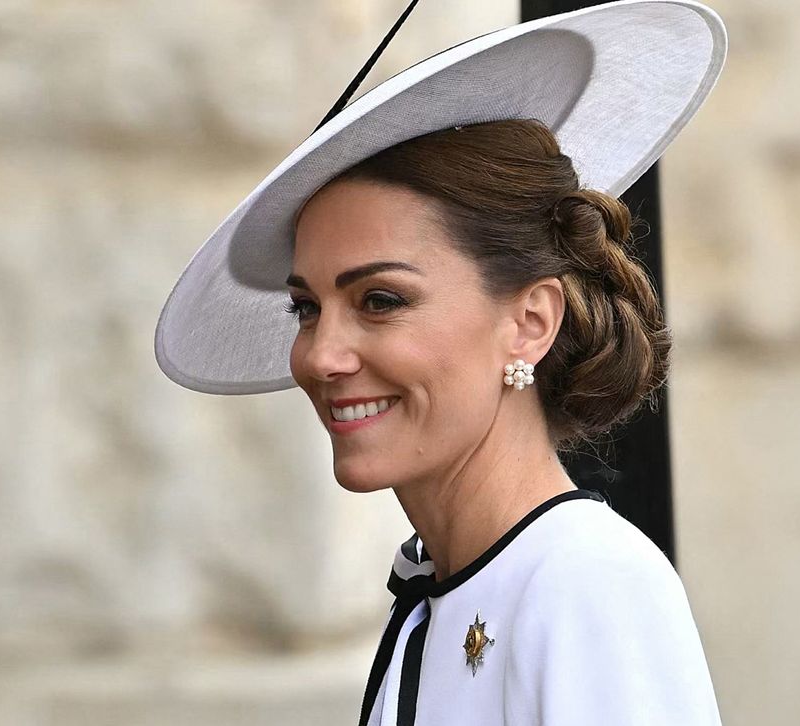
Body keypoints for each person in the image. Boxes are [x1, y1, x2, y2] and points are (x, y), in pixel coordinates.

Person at [153, 2, 728, 724]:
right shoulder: (438, 600)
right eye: (307, 307)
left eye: (382, 299)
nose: (322, 355)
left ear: (529, 323)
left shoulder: (585, 583)